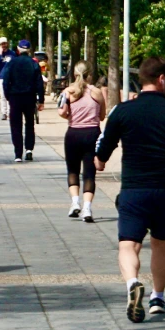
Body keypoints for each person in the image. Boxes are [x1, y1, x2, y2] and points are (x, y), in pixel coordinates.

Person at [94, 56, 165, 323]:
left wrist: (98, 160)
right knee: (160, 244)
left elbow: (102, 154)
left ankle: (132, 283)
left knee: (128, 244)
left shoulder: (122, 111)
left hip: (134, 189)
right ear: (162, 79)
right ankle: (157, 297)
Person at [59, 60, 105, 222]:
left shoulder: (68, 92)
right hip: (92, 134)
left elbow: (62, 113)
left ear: (74, 74)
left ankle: (74, 203)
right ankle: (87, 208)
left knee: (73, 170)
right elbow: (102, 116)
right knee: (89, 173)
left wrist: (71, 114)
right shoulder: (97, 92)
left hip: (73, 134)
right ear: (90, 75)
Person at [2, 40, 45, 161]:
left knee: (16, 125)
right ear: (29, 50)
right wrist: (41, 100)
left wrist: (8, 96)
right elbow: (39, 82)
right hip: (29, 96)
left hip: (15, 96)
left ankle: (18, 153)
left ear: (18, 49)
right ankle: (29, 149)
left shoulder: (12, 63)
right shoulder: (33, 63)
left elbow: (6, 81)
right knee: (29, 123)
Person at [0, 37, 16, 120]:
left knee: (10, 95)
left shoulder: (12, 53)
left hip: (11, 77)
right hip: (2, 77)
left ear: (7, 43)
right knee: (3, 95)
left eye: (5, 43)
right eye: (2, 44)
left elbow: (15, 64)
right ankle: (4, 112)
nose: (4, 45)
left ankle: (11, 112)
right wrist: (0, 55)